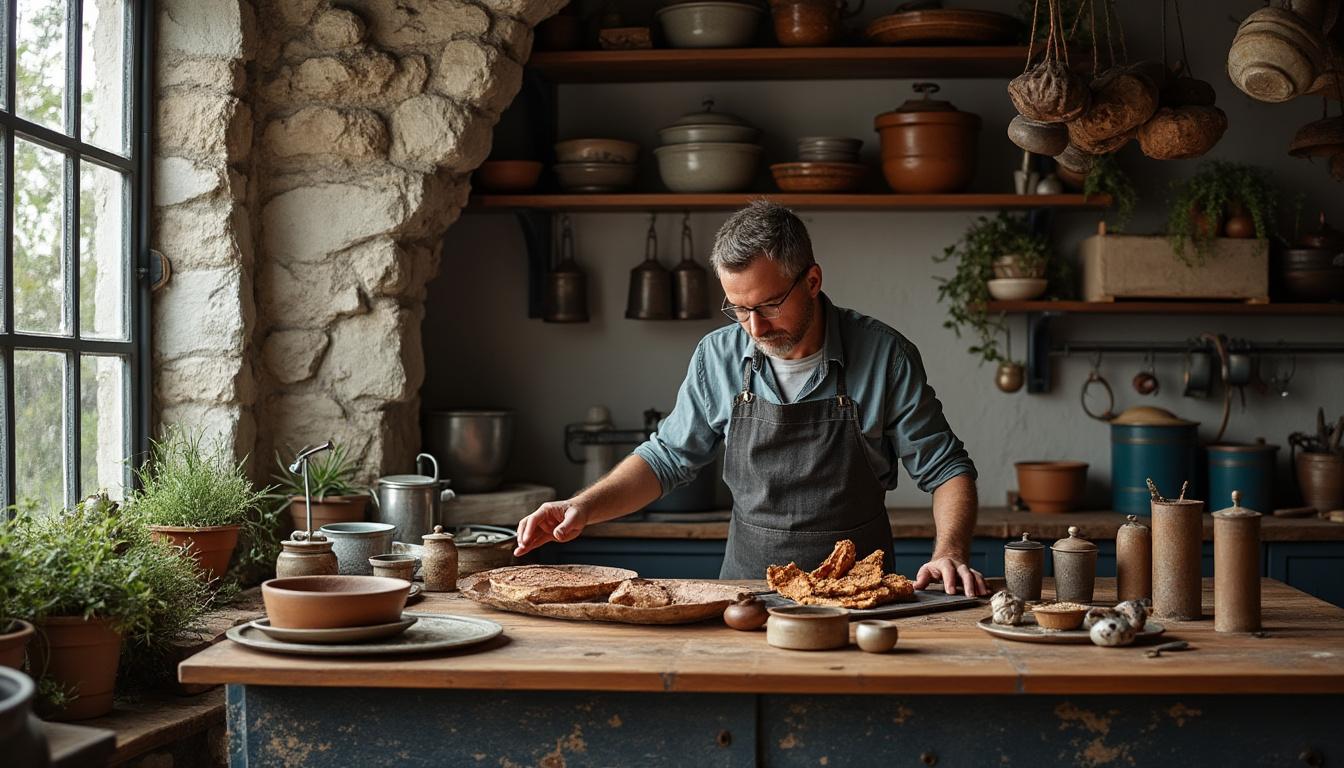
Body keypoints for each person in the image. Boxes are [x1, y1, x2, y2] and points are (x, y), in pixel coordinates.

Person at [514, 200, 988, 596]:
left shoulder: (886, 355)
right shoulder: (717, 356)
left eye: (767, 305)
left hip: (858, 595)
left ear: (812, 281)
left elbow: (947, 469)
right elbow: (664, 460)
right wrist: (582, 506)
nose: (754, 328)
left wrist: (949, 552)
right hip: (745, 594)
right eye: (738, 309)